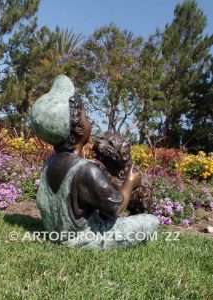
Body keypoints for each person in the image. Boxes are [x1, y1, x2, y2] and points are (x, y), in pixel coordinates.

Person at [30, 75, 159, 249]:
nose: (89, 122)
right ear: (79, 128)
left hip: (54, 231)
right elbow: (116, 206)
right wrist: (130, 182)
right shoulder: (86, 170)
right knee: (150, 222)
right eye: (86, 117)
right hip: (84, 239)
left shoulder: (49, 164)